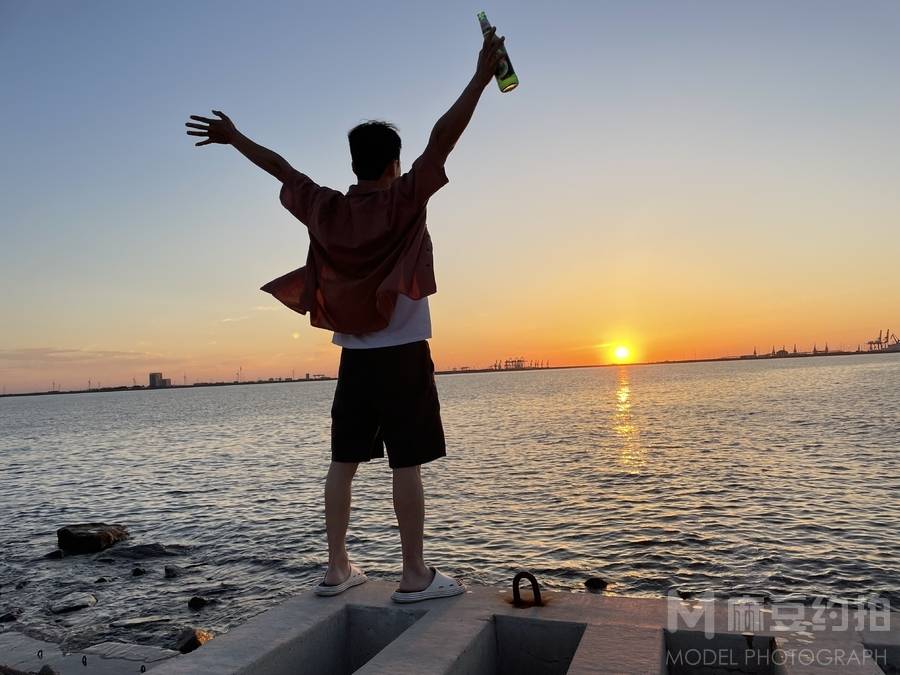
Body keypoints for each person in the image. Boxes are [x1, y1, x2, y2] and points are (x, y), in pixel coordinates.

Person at [185, 27, 507, 603]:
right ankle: (414, 577)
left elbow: (282, 170)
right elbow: (443, 139)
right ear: (393, 165)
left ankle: (337, 569)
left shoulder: (326, 208)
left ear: (354, 163)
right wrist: (482, 76)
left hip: (354, 361)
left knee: (344, 461)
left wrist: (234, 138)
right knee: (406, 464)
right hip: (404, 357)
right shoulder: (403, 200)